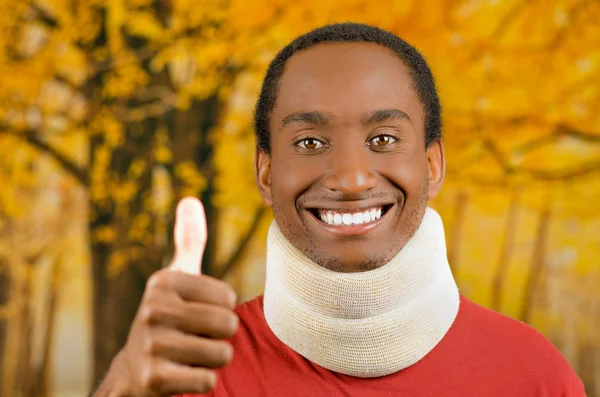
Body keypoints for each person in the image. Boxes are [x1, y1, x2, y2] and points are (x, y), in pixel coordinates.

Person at [92, 23, 586, 397]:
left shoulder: (536, 375)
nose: (351, 179)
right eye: (310, 141)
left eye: (384, 139)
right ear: (265, 173)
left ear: (433, 165)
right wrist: (120, 384)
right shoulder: (193, 374)